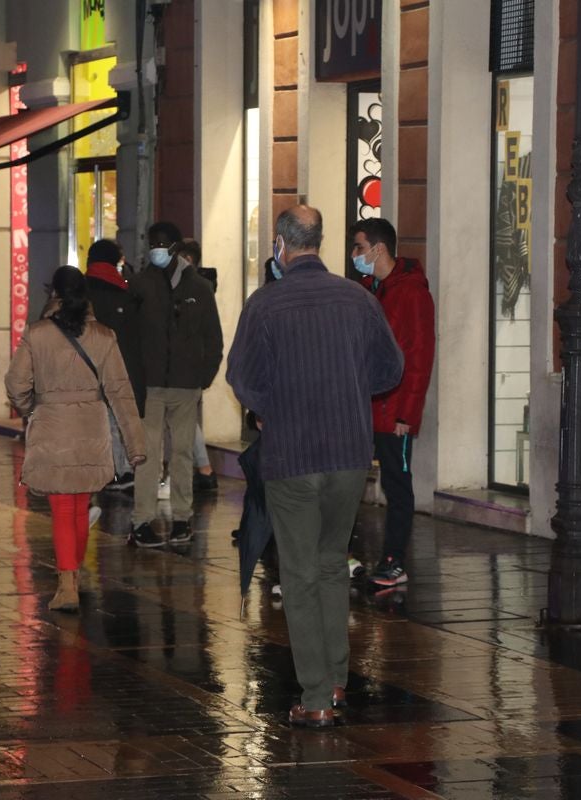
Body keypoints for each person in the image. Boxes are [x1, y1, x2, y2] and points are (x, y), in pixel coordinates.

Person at [227, 205, 403, 728]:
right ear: (320, 241)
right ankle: (339, 679)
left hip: (293, 455)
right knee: (331, 563)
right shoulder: (358, 299)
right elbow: (390, 368)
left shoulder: (265, 304)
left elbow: (242, 376)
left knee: (300, 574)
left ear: (282, 243)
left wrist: (267, 409)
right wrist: (347, 394)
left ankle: (316, 697)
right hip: (349, 454)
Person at [5, 266, 146, 612]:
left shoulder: (37, 335)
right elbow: (121, 393)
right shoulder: (103, 336)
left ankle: (67, 584)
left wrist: (30, 409)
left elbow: (15, 383)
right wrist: (135, 444)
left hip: (52, 428)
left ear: (53, 294)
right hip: (90, 430)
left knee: (62, 508)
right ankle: (73, 573)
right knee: (80, 505)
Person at [349, 218, 436, 588]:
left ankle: (394, 561)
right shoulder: (375, 289)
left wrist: (407, 414)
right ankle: (347, 555)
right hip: (367, 407)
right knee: (348, 480)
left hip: (394, 411)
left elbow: (419, 357)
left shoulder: (411, 292)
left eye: (358, 247)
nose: (355, 255)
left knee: (397, 485)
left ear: (378, 249)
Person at [126, 221, 223, 548]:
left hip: (185, 386)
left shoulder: (198, 288)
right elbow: (130, 339)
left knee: (182, 452)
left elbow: (214, 338)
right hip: (150, 386)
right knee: (147, 455)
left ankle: (182, 518)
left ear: (175, 249)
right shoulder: (140, 286)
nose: (156, 249)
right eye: (152, 243)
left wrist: (203, 377)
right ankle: (142, 520)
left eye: (161, 244)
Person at [82, 238, 139, 491]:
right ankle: (121, 470)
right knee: (116, 420)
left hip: (85, 368)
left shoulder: (80, 291)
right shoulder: (123, 290)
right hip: (118, 365)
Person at [175, 238, 219, 496]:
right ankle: (204, 470)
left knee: (186, 421)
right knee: (187, 421)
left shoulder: (198, 289)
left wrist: (206, 372)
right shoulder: (195, 287)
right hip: (187, 368)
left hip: (189, 368)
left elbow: (209, 335)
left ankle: (204, 470)